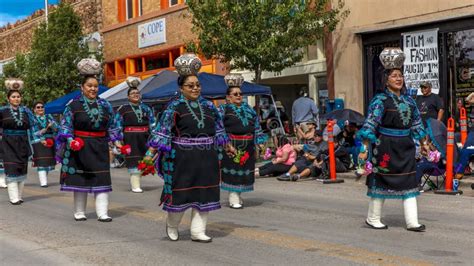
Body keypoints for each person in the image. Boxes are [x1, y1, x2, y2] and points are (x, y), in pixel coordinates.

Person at [144, 54, 232, 243]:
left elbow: (219, 130)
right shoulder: (174, 107)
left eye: (197, 85)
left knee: (205, 194)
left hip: (207, 157)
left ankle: (198, 231)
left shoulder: (209, 106)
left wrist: (229, 147)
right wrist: (149, 155)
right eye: (190, 85)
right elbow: (162, 133)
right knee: (181, 194)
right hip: (181, 158)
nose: (195, 88)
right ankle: (173, 225)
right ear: (181, 88)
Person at [358, 48, 427, 232]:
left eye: (400, 75)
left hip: (406, 147)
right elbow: (370, 125)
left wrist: (424, 145)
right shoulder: (380, 100)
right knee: (382, 181)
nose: (398, 78)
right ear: (386, 80)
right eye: (394, 76)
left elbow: (417, 125)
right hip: (384, 147)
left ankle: (412, 222)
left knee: (409, 181)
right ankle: (372, 218)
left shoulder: (410, 101)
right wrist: (364, 149)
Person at [56, 57, 122, 222]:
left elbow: (113, 125)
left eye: (95, 86)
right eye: (89, 86)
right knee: (81, 179)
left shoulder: (106, 105)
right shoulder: (73, 105)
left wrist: (117, 141)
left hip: (99, 147)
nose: (93, 89)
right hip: (80, 146)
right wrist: (70, 140)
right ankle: (79, 212)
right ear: (82, 87)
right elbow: (65, 125)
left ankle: (102, 213)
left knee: (102, 178)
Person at [219, 74, 268, 209]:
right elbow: (219, 128)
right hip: (232, 145)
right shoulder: (223, 109)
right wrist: (225, 144)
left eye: (240, 93)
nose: (239, 96)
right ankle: (233, 196)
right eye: (235, 94)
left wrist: (260, 141)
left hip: (248, 145)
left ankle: (238, 194)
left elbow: (256, 126)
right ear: (228, 97)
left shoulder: (248, 109)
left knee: (245, 170)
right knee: (233, 170)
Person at [0, 78, 44, 204]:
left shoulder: (26, 111)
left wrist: (38, 139)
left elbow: (33, 126)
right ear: (8, 98)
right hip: (8, 143)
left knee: (22, 168)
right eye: (13, 97)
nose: (16, 99)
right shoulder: (2, 111)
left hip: (23, 142)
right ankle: (13, 198)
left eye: (18, 96)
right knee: (11, 169)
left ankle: (19, 196)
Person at [116, 77, 155, 193]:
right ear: (128, 96)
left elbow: (152, 123)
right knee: (133, 159)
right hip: (130, 137)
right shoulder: (123, 109)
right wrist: (118, 140)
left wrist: (154, 137)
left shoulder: (146, 108)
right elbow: (117, 124)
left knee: (145, 158)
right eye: (132, 93)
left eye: (137, 93)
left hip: (145, 136)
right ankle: (135, 185)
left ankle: (138, 180)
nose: (135, 94)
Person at [31, 101, 58, 187]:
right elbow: (32, 132)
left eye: (42, 107)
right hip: (39, 141)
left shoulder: (49, 116)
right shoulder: (33, 119)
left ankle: (44, 179)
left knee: (47, 162)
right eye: (38, 107)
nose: (40, 109)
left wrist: (52, 125)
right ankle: (43, 182)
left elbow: (57, 128)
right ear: (34, 110)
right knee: (41, 161)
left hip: (50, 141)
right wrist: (40, 133)